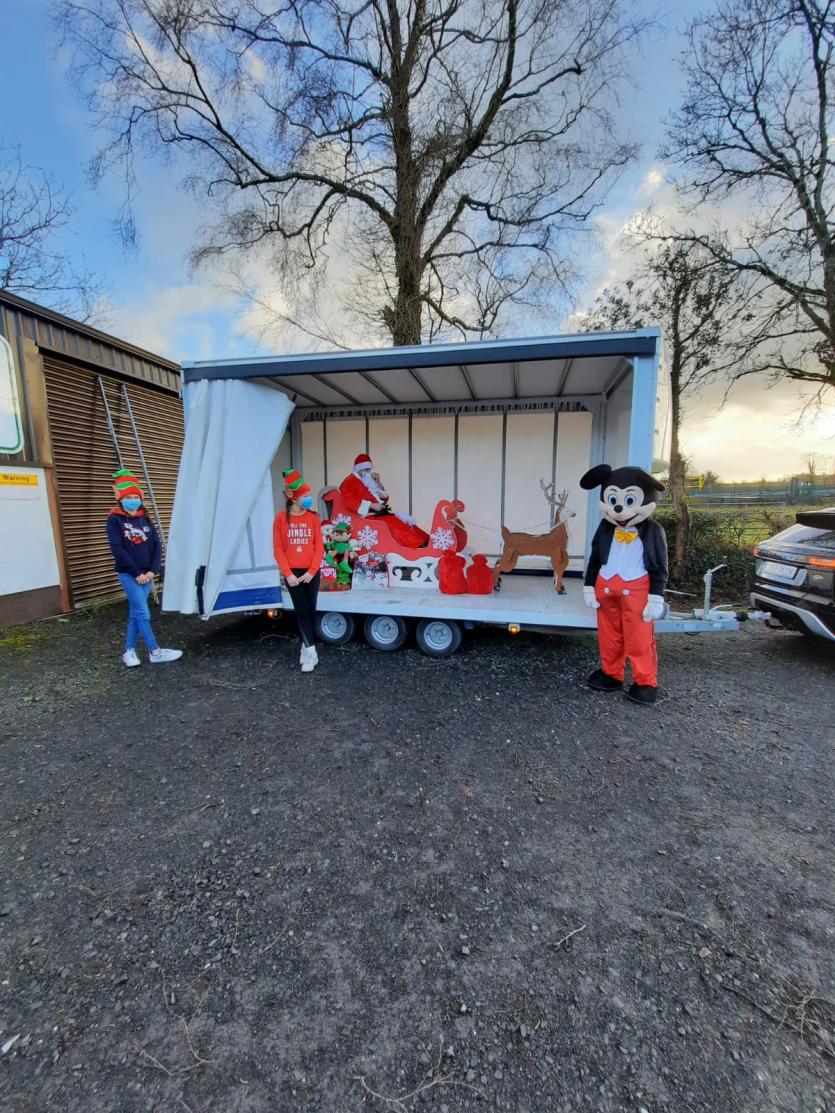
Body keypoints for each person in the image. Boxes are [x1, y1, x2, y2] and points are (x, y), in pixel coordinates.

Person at [105, 468, 182, 667]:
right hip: (130, 575)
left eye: (135, 496)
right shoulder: (114, 520)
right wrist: (136, 573)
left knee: (135, 612)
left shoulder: (144, 518)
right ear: (120, 499)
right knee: (143, 613)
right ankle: (155, 651)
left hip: (147, 576)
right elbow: (118, 549)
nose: (132, 500)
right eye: (128, 496)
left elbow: (156, 545)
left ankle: (129, 651)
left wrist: (151, 571)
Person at [273, 468, 325, 673]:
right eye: (305, 496)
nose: (308, 499)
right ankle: (311, 653)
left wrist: (312, 571)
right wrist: (288, 573)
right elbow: (278, 548)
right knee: (301, 610)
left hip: (311, 572)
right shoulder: (280, 519)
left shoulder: (313, 518)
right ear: (293, 498)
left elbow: (320, 546)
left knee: (311, 611)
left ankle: (305, 648)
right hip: (293, 573)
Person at [338, 453, 429, 548]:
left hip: (379, 513)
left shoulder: (366, 479)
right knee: (394, 523)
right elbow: (350, 502)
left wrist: (377, 482)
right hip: (365, 517)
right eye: (365, 470)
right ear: (358, 469)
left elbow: (384, 499)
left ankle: (425, 541)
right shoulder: (349, 482)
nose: (368, 472)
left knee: (404, 520)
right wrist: (371, 505)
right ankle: (416, 546)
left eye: (369, 469)